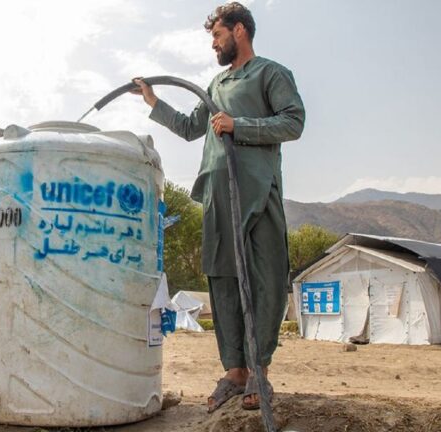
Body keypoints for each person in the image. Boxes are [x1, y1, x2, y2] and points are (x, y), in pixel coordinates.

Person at [131, 2, 305, 412]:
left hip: (257, 192)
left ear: (239, 30)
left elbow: (293, 122)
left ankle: (259, 370)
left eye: (217, 35)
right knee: (223, 279)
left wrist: (238, 125)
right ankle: (235, 371)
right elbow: (191, 127)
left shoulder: (270, 73)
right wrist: (153, 102)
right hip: (217, 194)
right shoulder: (216, 83)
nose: (214, 44)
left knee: (264, 278)